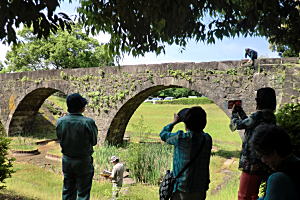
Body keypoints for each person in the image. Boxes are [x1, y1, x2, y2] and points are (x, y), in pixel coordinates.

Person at [229, 87, 277, 200]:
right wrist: (241, 112)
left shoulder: (258, 116)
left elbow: (236, 125)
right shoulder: (270, 116)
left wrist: (234, 114)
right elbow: (250, 123)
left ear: (259, 100)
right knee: (253, 195)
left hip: (251, 163)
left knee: (244, 195)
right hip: (262, 161)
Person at [160, 106, 212, 200]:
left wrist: (174, 122)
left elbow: (163, 134)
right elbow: (199, 132)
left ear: (186, 123)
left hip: (182, 189)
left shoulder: (181, 138)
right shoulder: (207, 139)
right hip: (200, 189)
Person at [56, 93, 98, 200]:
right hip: (83, 161)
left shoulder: (60, 121)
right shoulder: (88, 122)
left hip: (67, 160)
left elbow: (60, 138)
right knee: (83, 193)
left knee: (68, 190)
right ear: (82, 107)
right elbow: (94, 141)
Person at [250, 124, 300, 200]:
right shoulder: (296, 165)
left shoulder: (278, 179)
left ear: (275, 152)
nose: (263, 160)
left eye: (264, 155)